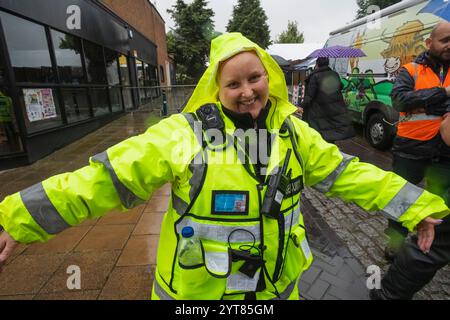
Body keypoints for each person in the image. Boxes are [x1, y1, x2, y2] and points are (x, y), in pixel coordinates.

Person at [0, 33, 448, 300]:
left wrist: (414, 206)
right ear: (217, 88)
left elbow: (346, 172)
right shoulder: (182, 133)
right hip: (199, 295)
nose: (247, 91)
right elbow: (106, 176)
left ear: (268, 78)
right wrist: (16, 220)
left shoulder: (293, 133)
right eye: (233, 83)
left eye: (254, 78)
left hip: (277, 289)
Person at [383, 22, 450, 261]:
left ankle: (433, 243)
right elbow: (400, 101)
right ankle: (395, 241)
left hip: (445, 154)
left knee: (440, 202)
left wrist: (423, 100)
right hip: (410, 149)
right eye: (445, 40)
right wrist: (444, 94)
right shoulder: (410, 70)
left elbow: (412, 100)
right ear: (430, 43)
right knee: (401, 197)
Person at [301, 57, 355, 143]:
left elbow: (310, 96)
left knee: (320, 131)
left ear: (317, 64)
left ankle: (322, 150)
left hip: (319, 110)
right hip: (333, 108)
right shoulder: (334, 74)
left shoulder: (315, 76)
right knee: (330, 129)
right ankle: (330, 148)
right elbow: (341, 86)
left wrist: (301, 106)